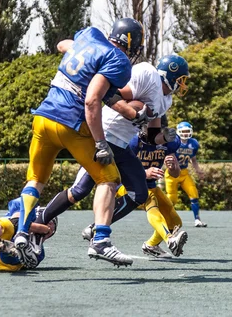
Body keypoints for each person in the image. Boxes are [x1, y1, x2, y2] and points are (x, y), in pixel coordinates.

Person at [12, 17, 147, 267]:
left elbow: (62, 45)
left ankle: (22, 232)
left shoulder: (90, 36)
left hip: (43, 117)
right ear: (131, 43)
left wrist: (75, 49)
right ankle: (101, 241)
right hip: (70, 123)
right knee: (109, 178)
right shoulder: (117, 61)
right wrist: (100, 143)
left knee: (36, 181)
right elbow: (92, 100)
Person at [37, 54, 190, 255]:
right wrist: (133, 111)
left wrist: (164, 137)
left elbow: (150, 137)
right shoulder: (148, 74)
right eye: (181, 79)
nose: (182, 84)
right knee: (80, 191)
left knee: (139, 192)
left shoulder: (166, 100)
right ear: (169, 74)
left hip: (121, 144)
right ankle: (41, 218)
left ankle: (98, 229)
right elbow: (111, 94)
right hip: (105, 135)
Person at [129, 123, 188, 258]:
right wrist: (144, 173)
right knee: (150, 202)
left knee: (175, 222)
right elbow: (121, 170)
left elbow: (175, 174)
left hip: (150, 185)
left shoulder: (169, 143)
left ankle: (151, 245)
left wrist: (172, 167)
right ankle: (170, 240)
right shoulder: (133, 141)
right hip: (129, 185)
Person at [165, 121, 207, 227]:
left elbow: (193, 159)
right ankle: (166, 219)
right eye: (183, 131)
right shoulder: (173, 142)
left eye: (187, 131)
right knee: (172, 199)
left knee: (194, 194)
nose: (185, 133)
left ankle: (197, 219)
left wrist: (198, 170)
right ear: (178, 132)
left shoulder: (194, 143)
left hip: (184, 173)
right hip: (171, 173)